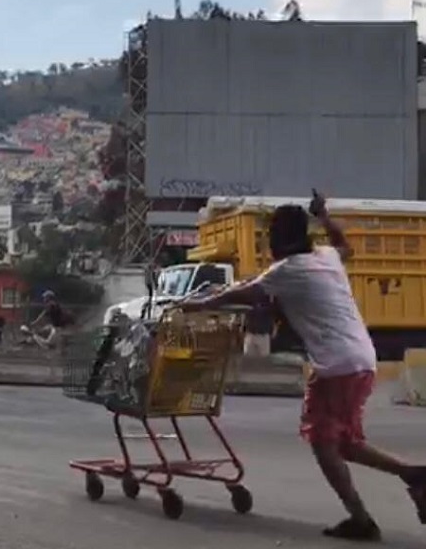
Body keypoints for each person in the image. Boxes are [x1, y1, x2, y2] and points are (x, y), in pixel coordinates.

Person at [179, 190, 426, 540]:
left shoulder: (287, 270)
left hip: (337, 366)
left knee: (323, 443)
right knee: (344, 443)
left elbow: (241, 294)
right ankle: (413, 475)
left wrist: (199, 304)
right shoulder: (325, 256)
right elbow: (344, 245)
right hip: (360, 359)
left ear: (278, 240)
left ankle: (361, 519)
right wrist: (324, 215)